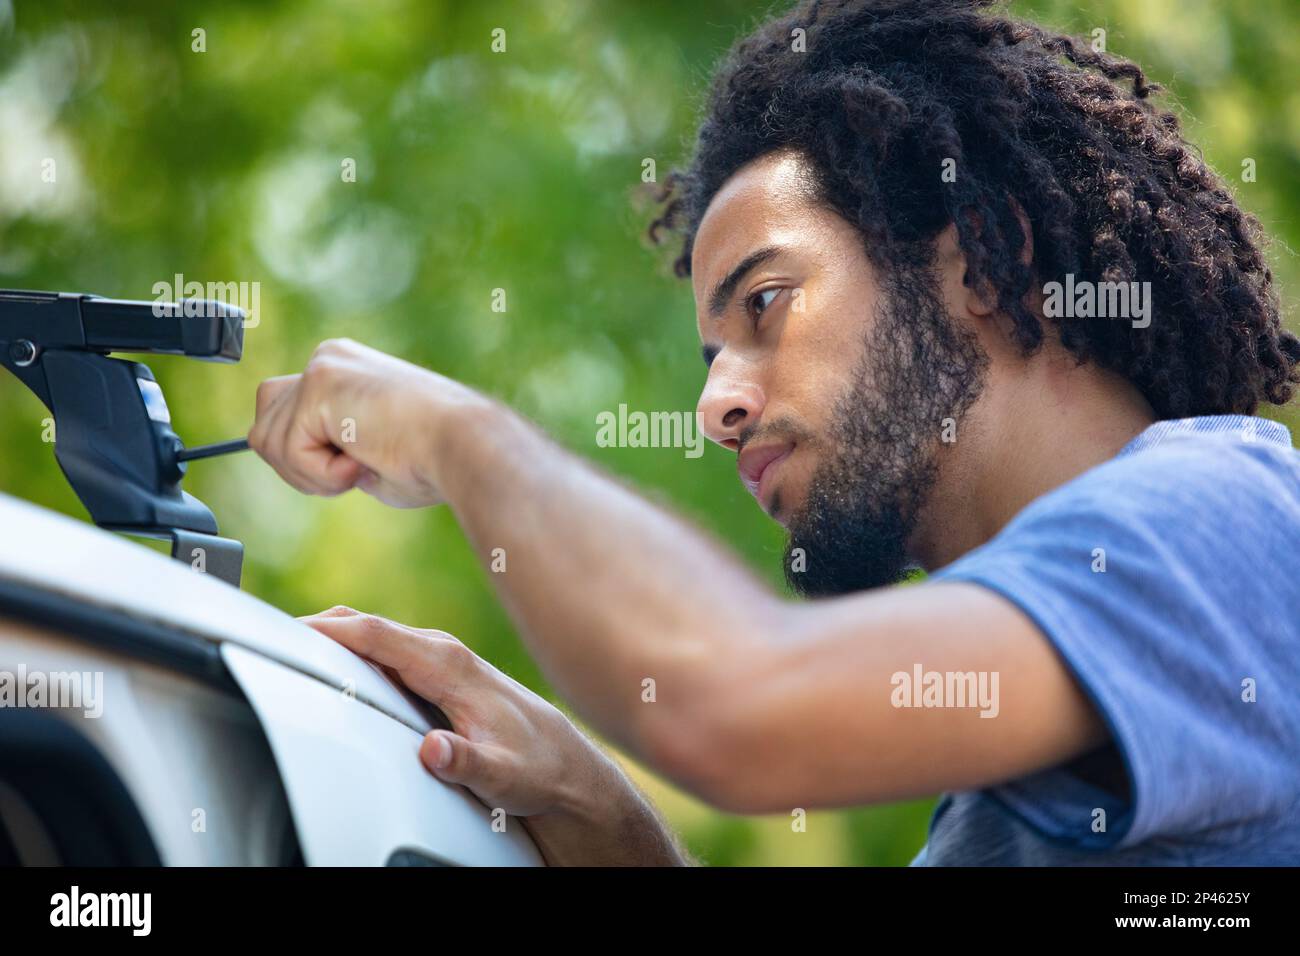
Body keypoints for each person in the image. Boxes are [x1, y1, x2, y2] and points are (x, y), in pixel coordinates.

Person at [248, 0, 1300, 865]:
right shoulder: (990, 797)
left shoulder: (1218, 516)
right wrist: (603, 816)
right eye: (711, 362)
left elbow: (735, 705)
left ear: (978, 265)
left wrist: (453, 432)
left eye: (765, 304)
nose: (718, 406)